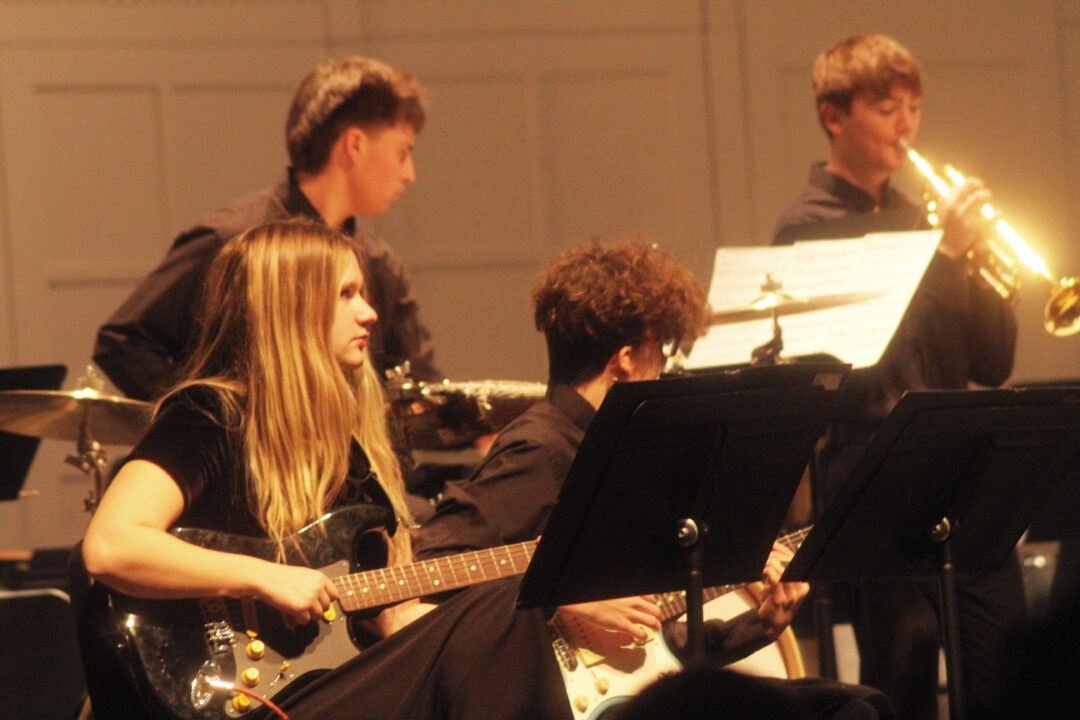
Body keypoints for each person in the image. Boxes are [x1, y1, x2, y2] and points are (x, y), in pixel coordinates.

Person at [410, 239, 894, 719]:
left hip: (623, 695)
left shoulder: (616, 453)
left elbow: (656, 644)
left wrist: (760, 624)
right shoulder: (541, 450)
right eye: (660, 348)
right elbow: (431, 567)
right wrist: (558, 600)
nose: (664, 365)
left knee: (854, 705)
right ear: (624, 359)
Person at [773, 34, 1024, 719]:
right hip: (872, 464)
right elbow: (849, 380)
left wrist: (981, 271)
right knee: (903, 669)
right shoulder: (808, 231)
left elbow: (992, 365)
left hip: (961, 460)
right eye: (887, 110)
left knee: (1005, 663)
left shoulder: (924, 219)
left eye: (913, 107)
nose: (906, 125)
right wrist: (942, 260)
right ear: (833, 116)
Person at [93, 55, 439, 403]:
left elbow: (422, 387)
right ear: (355, 145)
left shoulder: (380, 262)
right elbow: (124, 343)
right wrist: (207, 420)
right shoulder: (231, 240)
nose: (409, 174)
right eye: (402, 153)